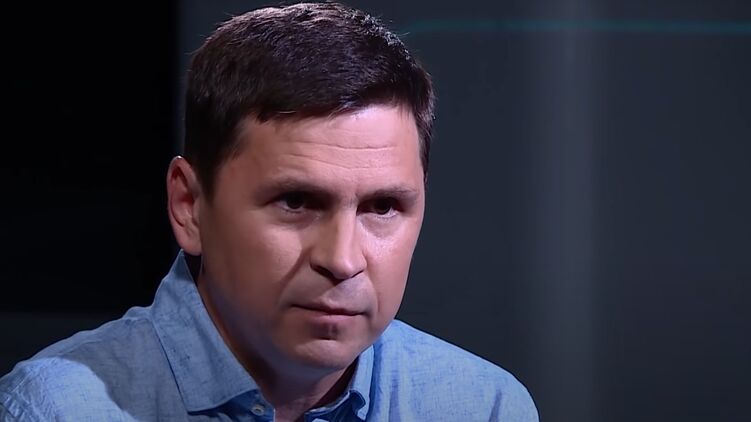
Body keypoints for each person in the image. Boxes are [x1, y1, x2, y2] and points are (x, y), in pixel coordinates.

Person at [0, 3, 538, 421]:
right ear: (189, 206)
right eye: (296, 202)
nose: (343, 260)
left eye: (382, 206)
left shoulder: (484, 407)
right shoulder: (54, 410)